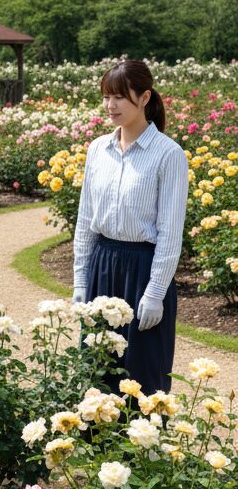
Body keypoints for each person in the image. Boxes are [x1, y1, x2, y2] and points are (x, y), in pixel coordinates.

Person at [72, 59, 189, 395]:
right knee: (96, 370)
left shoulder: (169, 155)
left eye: (120, 97)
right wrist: (81, 281)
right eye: (107, 97)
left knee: (143, 375)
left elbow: (169, 232)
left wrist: (154, 294)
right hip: (102, 266)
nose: (111, 106)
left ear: (145, 97)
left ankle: (145, 446)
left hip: (143, 272)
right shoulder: (98, 150)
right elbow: (85, 220)